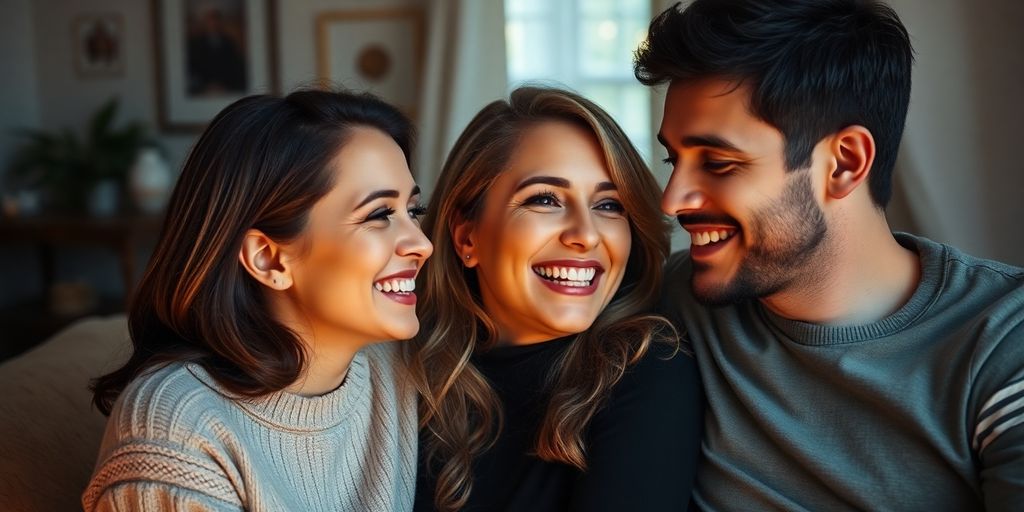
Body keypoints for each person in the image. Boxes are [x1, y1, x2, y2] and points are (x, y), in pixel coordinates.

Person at [635, 0, 1024, 510]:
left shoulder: (1003, 343)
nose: (673, 199)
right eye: (674, 159)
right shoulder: (669, 304)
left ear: (844, 163)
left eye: (719, 163)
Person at [82, 89, 432, 511]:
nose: (421, 244)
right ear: (268, 259)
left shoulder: (393, 368)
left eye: (413, 211)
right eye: (379, 215)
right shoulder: (174, 435)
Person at [406, 86, 703, 512]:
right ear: (466, 236)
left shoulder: (644, 369)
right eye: (545, 199)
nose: (585, 234)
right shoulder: (401, 374)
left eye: (608, 205)